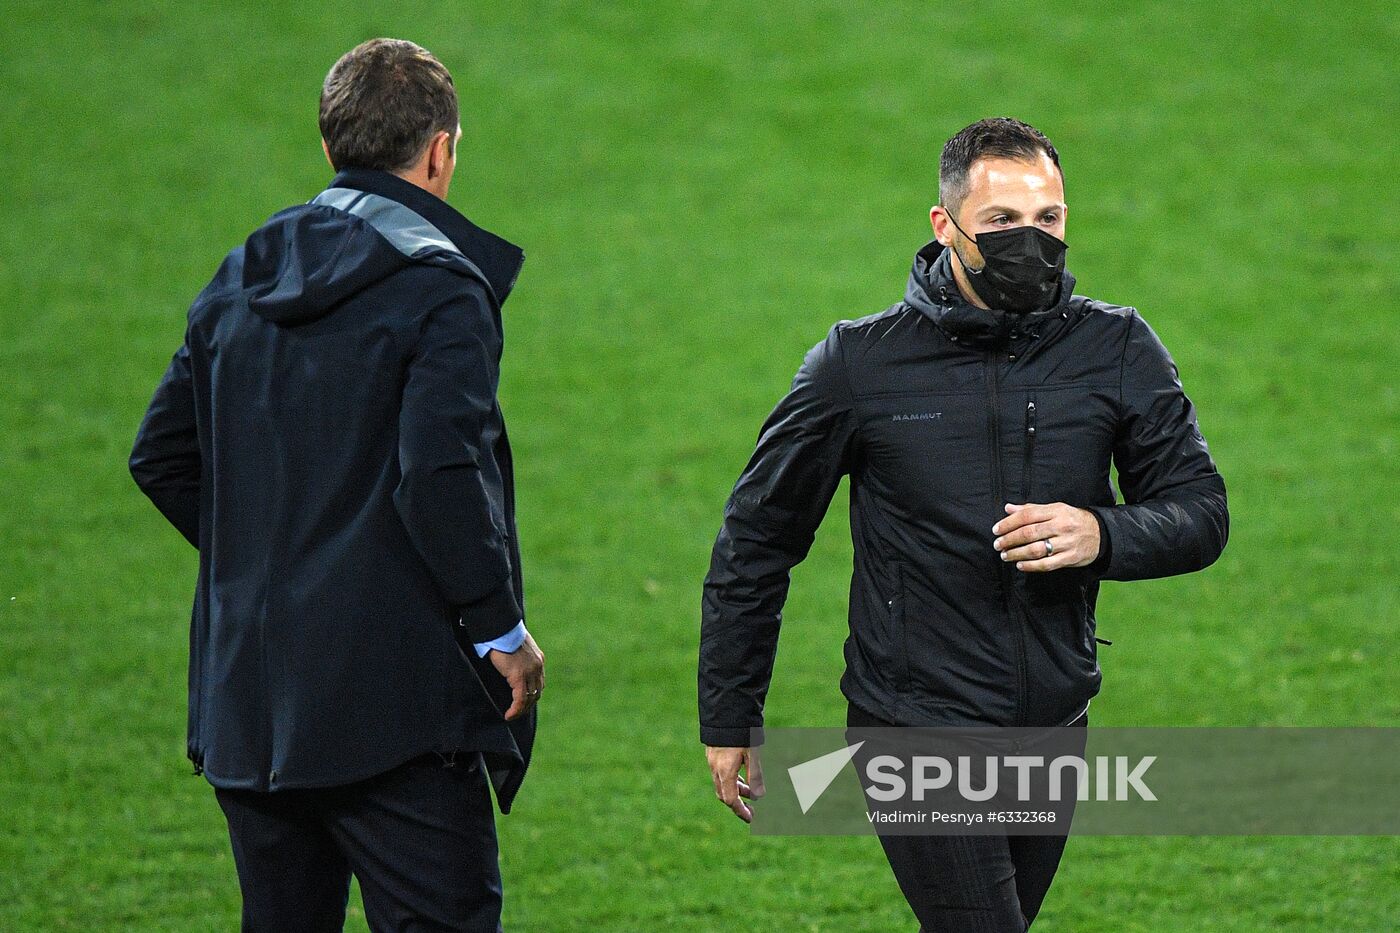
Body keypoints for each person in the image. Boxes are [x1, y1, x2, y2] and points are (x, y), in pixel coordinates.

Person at [698, 117, 1228, 930]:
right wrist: (732, 710)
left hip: (1054, 723)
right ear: (945, 227)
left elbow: (1201, 511)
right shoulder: (858, 365)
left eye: (1047, 219)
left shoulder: (1117, 348)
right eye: (1002, 223)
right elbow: (759, 536)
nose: (1032, 241)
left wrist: (1101, 533)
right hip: (915, 729)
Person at [129, 38, 544, 932]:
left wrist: (275, 558)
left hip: (247, 711)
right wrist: (499, 628)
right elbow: (438, 474)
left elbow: (159, 455)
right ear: (440, 153)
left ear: (330, 150)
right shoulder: (441, 291)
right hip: (394, 715)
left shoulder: (238, 280)